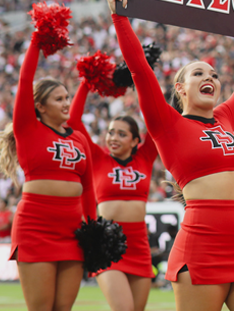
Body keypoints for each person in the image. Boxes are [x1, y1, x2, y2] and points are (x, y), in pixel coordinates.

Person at [107, 0, 234, 311]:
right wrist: (120, 18)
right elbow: (140, 71)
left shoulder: (226, 118)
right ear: (180, 88)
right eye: (199, 74)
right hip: (202, 249)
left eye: (215, 75)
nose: (211, 78)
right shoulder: (167, 124)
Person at [0, 31, 96, 311]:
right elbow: (25, 80)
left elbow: (89, 188)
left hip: (72, 229)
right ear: (40, 106)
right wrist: (38, 39)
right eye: (58, 99)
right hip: (36, 226)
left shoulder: (79, 138)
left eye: (67, 97)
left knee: (63, 308)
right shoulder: (28, 129)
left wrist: (94, 227)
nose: (65, 103)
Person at [68, 79, 159, 311]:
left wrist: (142, 78)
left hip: (139, 243)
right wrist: (86, 83)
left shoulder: (145, 157)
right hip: (106, 242)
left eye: (121, 134)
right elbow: (73, 121)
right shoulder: (98, 158)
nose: (113, 138)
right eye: (110, 133)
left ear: (136, 141)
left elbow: (159, 120)